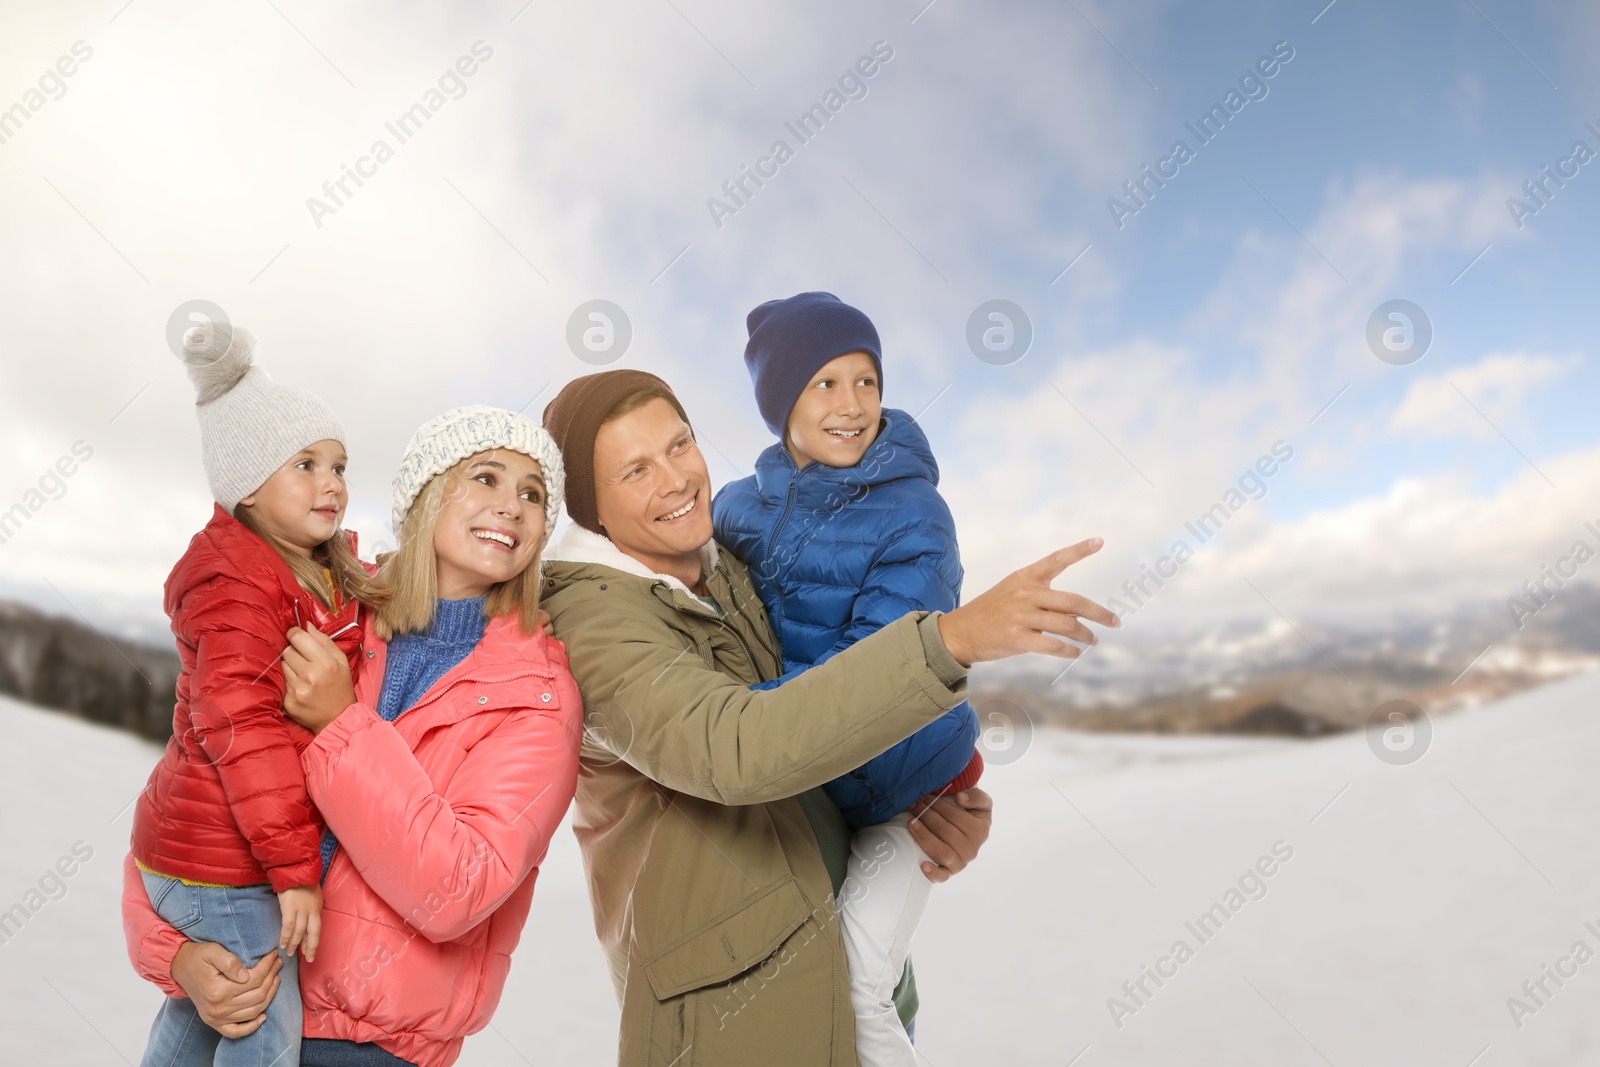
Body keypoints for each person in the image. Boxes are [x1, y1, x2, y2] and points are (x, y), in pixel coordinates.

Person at [540, 369, 1117, 1065]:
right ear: (589, 506)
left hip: (847, 993)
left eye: (680, 444)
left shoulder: (728, 568)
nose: (675, 479)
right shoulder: (592, 625)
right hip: (740, 1030)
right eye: (635, 469)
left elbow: (819, 716)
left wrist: (922, 801)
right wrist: (949, 640)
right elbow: (739, 748)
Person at [123, 405, 584, 1067]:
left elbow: (456, 889)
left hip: (367, 1048)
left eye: (533, 494)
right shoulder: (325, 617)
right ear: (427, 494)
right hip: (227, 1010)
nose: (512, 505)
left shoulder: (537, 698)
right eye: (487, 477)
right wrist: (175, 956)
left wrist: (342, 725)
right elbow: (194, 790)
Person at [713, 292, 981, 1065]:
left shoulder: (914, 515)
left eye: (866, 381)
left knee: (860, 978)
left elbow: (882, 670)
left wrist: (734, 727)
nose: (853, 404)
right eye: (825, 383)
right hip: (822, 783)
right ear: (782, 406)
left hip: (912, 789)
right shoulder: (742, 509)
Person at [129, 323, 387, 1066]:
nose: (332, 481)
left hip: (200, 850)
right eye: (304, 464)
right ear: (247, 483)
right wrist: (294, 875)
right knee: (264, 1021)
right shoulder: (237, 587)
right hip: (222, 864)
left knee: (202, 1016)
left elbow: (359, 596)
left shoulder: (303, 568)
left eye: (338, 464)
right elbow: (238, 723)